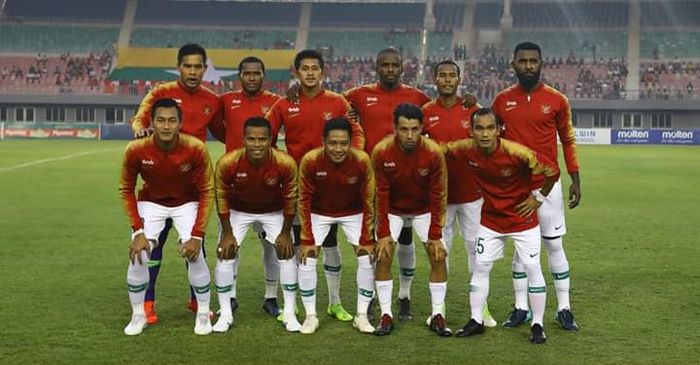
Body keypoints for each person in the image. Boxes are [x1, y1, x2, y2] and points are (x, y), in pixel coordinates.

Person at [444, 108, 559, 344]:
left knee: (532, 267)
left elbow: (553, 171)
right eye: (479, 128)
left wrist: (538, 198)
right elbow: (439, 150)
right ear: (472, 131)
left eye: (489, 128)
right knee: (481, 268)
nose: (485, 134)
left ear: (498, 130)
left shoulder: (517, 152)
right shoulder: (465, 149)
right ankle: (476, 320)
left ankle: (537, 324)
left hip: (522, 220)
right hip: (491, 221)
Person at [266, 49, 364, 323]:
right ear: (296, 73)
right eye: (304, 68)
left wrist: (351, 159)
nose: (310, 73)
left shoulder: (337, 102)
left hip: (334, 186)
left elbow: (356, 132)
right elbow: (266, 136)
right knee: (300, 244)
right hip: (299, 187)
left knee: (331, 243)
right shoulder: (285, 104)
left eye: (315, 68)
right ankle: (293, 304)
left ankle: (334, 302)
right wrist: (281, 163)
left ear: (323, 72)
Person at [129, 43, 224, 324]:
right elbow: (140, 119)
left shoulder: (212, 99)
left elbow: (223, 132)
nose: (193, 71)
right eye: (188, 66)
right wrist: (141, 130)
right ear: (179, 66)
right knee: (151, 248)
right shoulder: (160, 94)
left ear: (205, 69)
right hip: (156, 188)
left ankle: (197, 302)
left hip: (192, 190)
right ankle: (147, 302)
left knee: (195, 247)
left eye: (198, 66)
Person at [492, 42, 581, 331]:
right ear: (513, 64)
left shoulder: (556, 100)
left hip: (548, 184)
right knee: (521, 248)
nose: (528, 65)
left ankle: (564, 307)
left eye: (533, 61)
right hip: (515, 186)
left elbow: (567, 140)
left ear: (542, 63)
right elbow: (487, 134)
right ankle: (521, 308)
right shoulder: (502, 100)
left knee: (553, 244)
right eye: (523, 61)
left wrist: (575, 177)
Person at [344, 48, 431, 320]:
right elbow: (331, 104)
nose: (390, 70)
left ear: (402, 67)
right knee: (376, 240)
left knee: (406, 239)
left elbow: (439, 113)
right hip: (372, 181)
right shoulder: (358, 95)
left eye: (395, 65)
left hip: (408, 179)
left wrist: (468, 102)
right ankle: (372, 297)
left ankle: (404, 295)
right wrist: (296, 93)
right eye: (385, 65)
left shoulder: (418, 97)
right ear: (377, 67)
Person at [119, 98, 214, 336]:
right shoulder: (136, 149)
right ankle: (138, 315)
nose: (166, 126)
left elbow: (207, 191)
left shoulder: (195, 148)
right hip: (152, 202)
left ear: (180, 123)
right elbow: (126, 189)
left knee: (195, 253)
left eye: (172, 120)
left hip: (186, 202)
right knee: (139, 253)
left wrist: (197, 236)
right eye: (160, 120)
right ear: (152, 122)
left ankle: (203, 314)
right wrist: (138, 232)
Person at [421, 60, 496, 327]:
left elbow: (488, 146)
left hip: (472, 195)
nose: (447, 80)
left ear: (460, 79)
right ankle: (437, 311)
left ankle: (482, 309)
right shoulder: (425, 113)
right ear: (435, 79)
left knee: (478, 254)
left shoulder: (473, 110)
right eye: (442, 75)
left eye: (452, 75)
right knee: (441, 253)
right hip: (439, 198)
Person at [212, 117, 298, 332]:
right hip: (238, 211)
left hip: (273, 212)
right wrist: (227, 233)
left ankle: (289, 312)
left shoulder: (285, 163)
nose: (257, 144)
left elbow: (291, 199)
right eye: (251, 139)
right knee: (225, 253)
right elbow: (221, 196)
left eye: (262, 139)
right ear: (243, 139)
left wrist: (286, 232)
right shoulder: (228, 162)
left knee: (287, 254)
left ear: (271, 139)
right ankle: (225, 314)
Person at [371, 103, 450, 337]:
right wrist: (384, 233)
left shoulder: (433, 152)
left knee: (438, 256)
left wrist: (435, 235)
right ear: (394, 127)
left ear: (422, 128)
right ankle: (386, 315)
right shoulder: (382, 151)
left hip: (424, 209)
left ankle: (437, 314)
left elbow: (439, 195)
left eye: (414, 129)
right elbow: (381, 194)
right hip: (393, 209)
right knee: (383, 255)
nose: (409, 135)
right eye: (404, 129)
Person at [297, 118, 376, 334]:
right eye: (333, 143)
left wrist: (367, 239)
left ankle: (361, 316)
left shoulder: (361, 160)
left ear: (351, 142)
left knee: (366, 257)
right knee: (307, 258)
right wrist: (306, 239)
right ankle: (310, 316)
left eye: (344, 143)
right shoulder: (310, 160)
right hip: (319, 213)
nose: (338, 149)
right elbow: (303, 199)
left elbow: (369, 200)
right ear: (323, 141)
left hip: (353, 212)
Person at [219, 56, 282, 316]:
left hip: (270, 184)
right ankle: (230, 297)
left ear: (263, 75)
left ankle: (271, 297)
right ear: (240, 76)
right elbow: (214, 127)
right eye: (247, 73)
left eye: (257, 73)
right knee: (231, 244)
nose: (252, 77)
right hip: (236, 186)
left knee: (274, 246)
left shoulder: (277, 102)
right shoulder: (226, 101)